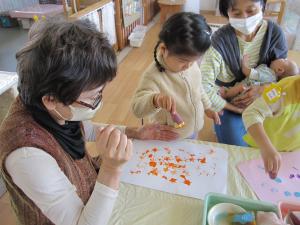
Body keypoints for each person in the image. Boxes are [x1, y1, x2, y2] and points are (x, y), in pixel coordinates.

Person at [0, 20, 179, 225]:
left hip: (87, 193)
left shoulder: (53, 105)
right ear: (51, 99)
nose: (98, 102)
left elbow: (83, 128)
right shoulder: (27, 156)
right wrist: (111, 168)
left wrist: (135, 132)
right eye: (94, 97)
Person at [200, 0, 288, 146]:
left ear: (263, 7)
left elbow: (286, 78)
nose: (245, 18)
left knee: (279, 143)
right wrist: (234, 108)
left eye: (251, 11)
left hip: (267, 100)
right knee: (237, 147)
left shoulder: (274, 34)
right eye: (236, 13)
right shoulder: (219, 42)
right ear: (226, 13)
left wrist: (263, 90)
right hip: (231, 107)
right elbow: (203, 86)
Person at [131, 12, 220, 139]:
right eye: (183, 61)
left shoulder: (191, 65)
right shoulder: (153, 76)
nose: (189, 66)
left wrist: (207, 107)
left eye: (194, 60)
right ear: (163, 49)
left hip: (192, 129)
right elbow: (137, 109)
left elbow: (198, 88)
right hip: (168, 137)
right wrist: (155, 100)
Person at [242, 75, 300, 179]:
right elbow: (251, 113)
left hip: (291, 155)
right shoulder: (284, 90)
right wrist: (266, 148)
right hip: (261, 149)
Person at [220, 57, 299, 100]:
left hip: (243, 93)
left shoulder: (269, 74)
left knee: (240, 88)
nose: (281, 57)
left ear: (279, 70)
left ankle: (226, 95)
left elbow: (249, 73)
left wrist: (244, 63)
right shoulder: (271, 78)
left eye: (284, 60)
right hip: (247, 98)